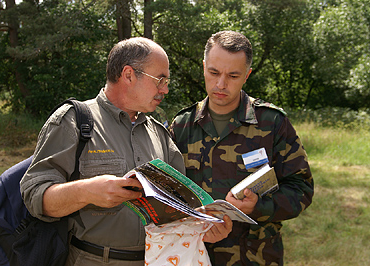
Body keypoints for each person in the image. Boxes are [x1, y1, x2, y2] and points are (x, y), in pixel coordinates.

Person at [20, 37, 231, 266]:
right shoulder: (73, 122)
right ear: (129, 75)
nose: (166, 90)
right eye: (160, 80)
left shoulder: (160, 134)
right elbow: (34, 197)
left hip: (156, 259)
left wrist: (202, 227)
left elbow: (178, 210)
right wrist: (87, 191)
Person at [169, 31, 314, 266]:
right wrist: (195, 222)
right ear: (203, 67)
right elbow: (168, 195)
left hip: (254, 257)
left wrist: (259, 207)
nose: (221, 84)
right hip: (194, 254)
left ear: (247, 75)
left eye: (233, 75)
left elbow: (301, 189)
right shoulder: (183, 125)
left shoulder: (272, 123)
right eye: (213, 72)